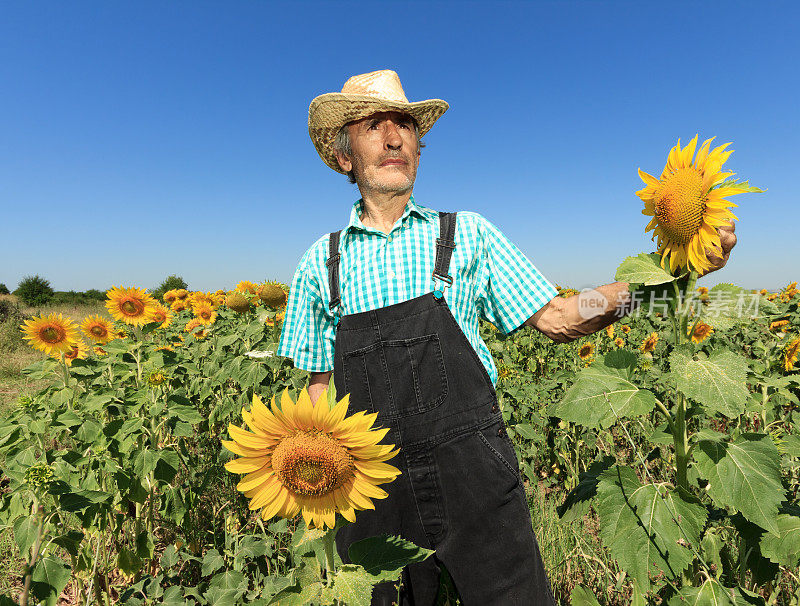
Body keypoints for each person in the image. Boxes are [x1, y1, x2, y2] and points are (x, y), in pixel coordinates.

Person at [276, 69, 737, 605]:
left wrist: (662, 278)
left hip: (472, 472)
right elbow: (318, 394)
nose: (394, 137)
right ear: (345, 157)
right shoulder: (320, 263)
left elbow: (563, 315)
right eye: (372, 125)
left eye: (404, 124)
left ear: (419, 149)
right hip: (371, 487)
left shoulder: (467, 233)